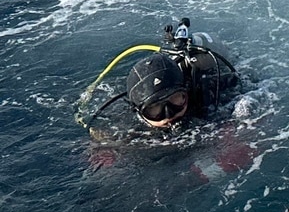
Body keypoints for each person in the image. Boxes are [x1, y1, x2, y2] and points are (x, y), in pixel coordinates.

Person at [81, 17, 241, 134]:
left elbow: (243, 84)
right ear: (138, 111)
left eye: (176, 99)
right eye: (154, 109)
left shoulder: (206, 93)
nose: (168, 114)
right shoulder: (127, 129)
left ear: (186, 90)